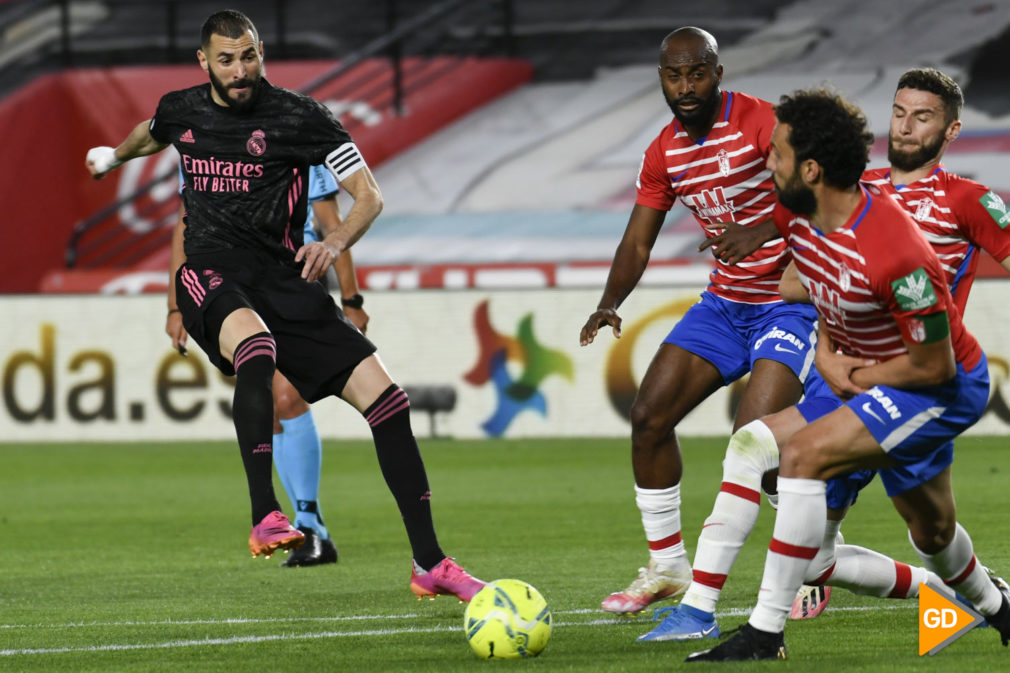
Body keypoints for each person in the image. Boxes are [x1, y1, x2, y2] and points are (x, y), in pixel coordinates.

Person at [87, 9, 484, 601]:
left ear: (261, 52)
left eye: (249, 55)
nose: (240, 69)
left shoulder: (303, 118)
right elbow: (152, 130)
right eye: (227, 59)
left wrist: (336, 242)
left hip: (284, 279)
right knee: (256, 347)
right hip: (211, 271)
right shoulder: (183, 108)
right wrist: (117, 156)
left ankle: (430, 563)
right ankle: (265, 514)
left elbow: (368, 195)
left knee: (390, 403)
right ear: (205, 63)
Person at [643, 67, 1010, 641]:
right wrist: (829, 349)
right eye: (900, 111)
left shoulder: (964, 203)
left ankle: (757, 631)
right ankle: (707, 612)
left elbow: (930, 350)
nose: (907, 126)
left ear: (952, 129)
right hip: (843, 379)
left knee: (920, 528)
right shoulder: (845, 190)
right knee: (795, 486)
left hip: (914, 380)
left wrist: (853, 363)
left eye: (924, 116)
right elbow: (803, 280)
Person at [579, 27, 818, 614]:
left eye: (697, 73)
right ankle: (667, 567)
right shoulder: (664, 151)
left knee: (759, 448)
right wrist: (611, 300)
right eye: (673, 75)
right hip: (724, 304)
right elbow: (638, 240)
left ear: (718, 71)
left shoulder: (764, 122)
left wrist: (761, 230)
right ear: (661, 77)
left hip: (790, 301)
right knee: (648, 416)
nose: (686, 87)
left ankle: (812, 565)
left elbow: (822, 188)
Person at [167, 162, 370, 567]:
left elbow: (330, 224)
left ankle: (310, 524)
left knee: (286, 397)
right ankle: (309, 526)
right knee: (274, 410)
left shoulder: (297, 148)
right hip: (232, 282)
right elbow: (184, 227)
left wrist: (352, 299)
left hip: (295, 278)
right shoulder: (205, 147)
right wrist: (175, 304)